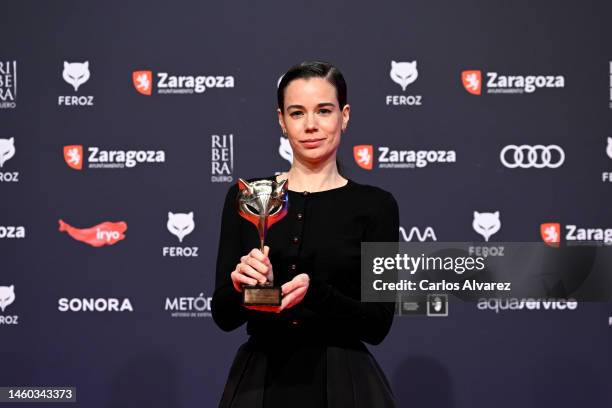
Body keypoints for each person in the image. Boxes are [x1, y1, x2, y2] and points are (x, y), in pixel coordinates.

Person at [212, 61, 399, 408]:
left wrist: (317, 294)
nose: (311, 125)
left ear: (344, 116)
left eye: (323, 111)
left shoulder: (375, 205)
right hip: (260, 384)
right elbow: (223, 315)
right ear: (282, 121)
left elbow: (378, 325)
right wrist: (243, 288)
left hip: (343, 382)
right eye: (297, 113)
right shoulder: (249, 196)